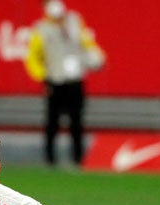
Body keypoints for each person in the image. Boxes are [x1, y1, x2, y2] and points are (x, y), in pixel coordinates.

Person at [24, 0, 105, 166]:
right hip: (56, 81)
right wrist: (44, 77)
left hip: (75, 80)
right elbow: (32, 58)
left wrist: (96, 59)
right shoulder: (41, 29)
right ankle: (50, 158)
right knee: (52, 122)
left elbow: (86, 44)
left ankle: (77, 158)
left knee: (77, 121)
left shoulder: (74, 22)